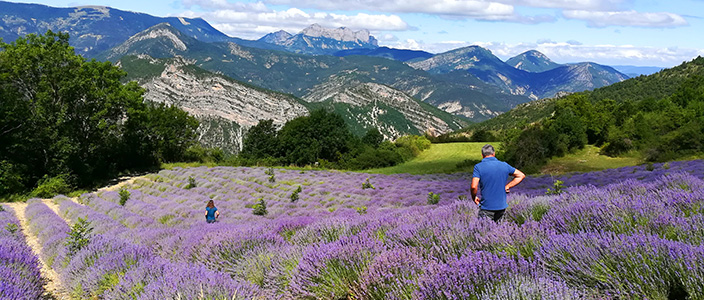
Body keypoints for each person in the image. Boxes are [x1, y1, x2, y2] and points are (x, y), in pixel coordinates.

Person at [470, 144, 525, 222]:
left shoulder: (478, 167)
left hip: (487, 207)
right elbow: (521, 175)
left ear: (482, 155)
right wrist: (507, 186)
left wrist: (474, 197)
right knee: (499, 231)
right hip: (501, 207)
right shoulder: (504, 165)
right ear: (494, 153)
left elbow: (473, 186)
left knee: (484, 232)